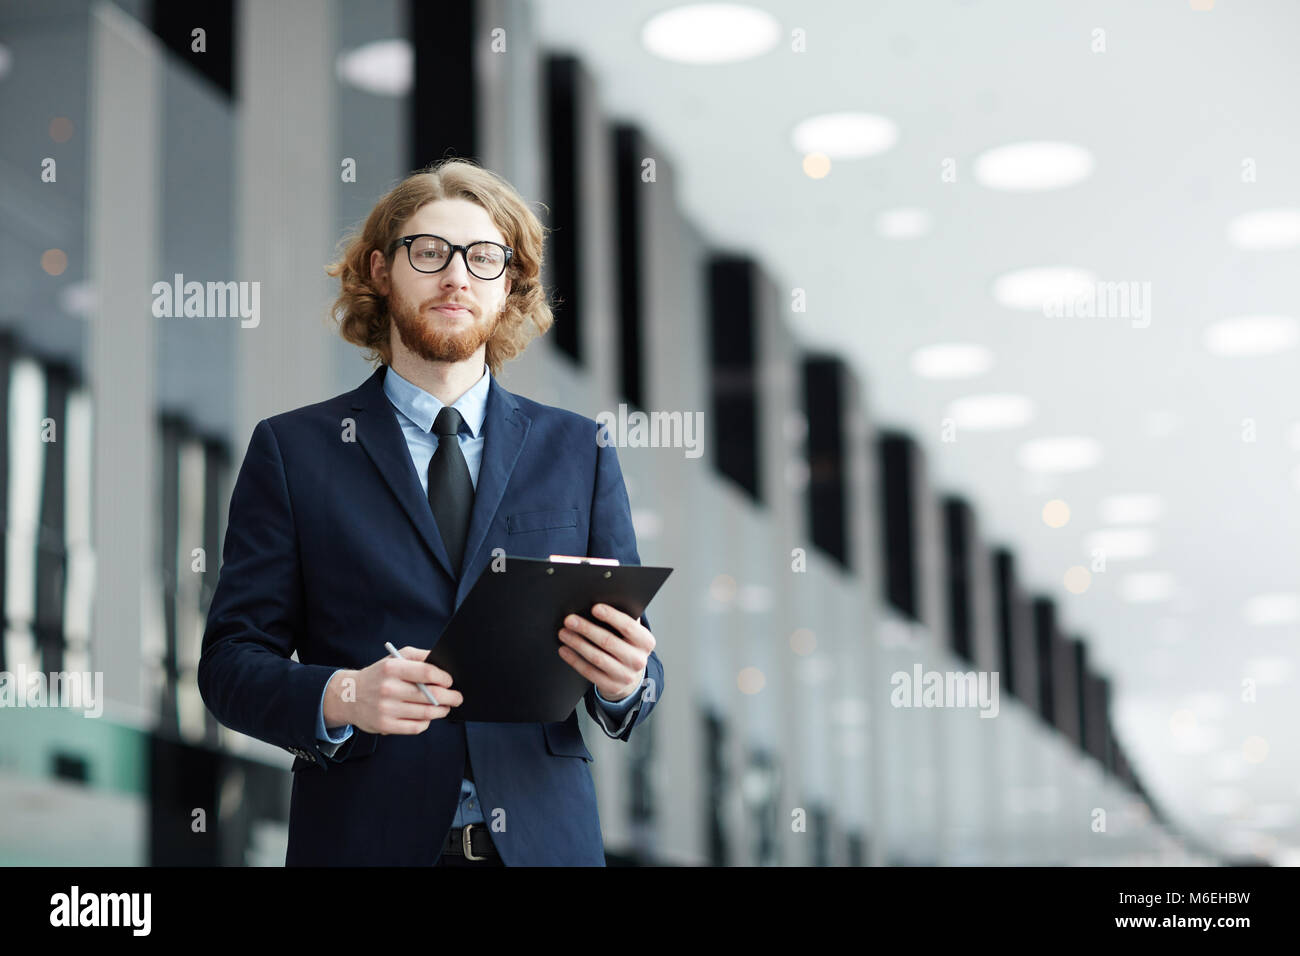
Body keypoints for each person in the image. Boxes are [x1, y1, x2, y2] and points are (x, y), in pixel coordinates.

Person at [197, 159, 664, 866]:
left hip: (543, 844)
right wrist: (345, 695)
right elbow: (229, 665)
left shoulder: (579, 449)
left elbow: (635, 657)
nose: (456, 277)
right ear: (381, 271)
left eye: (483, 258)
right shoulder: (293, 452)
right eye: (430, 252)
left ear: (509, 282)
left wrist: (628, 681)